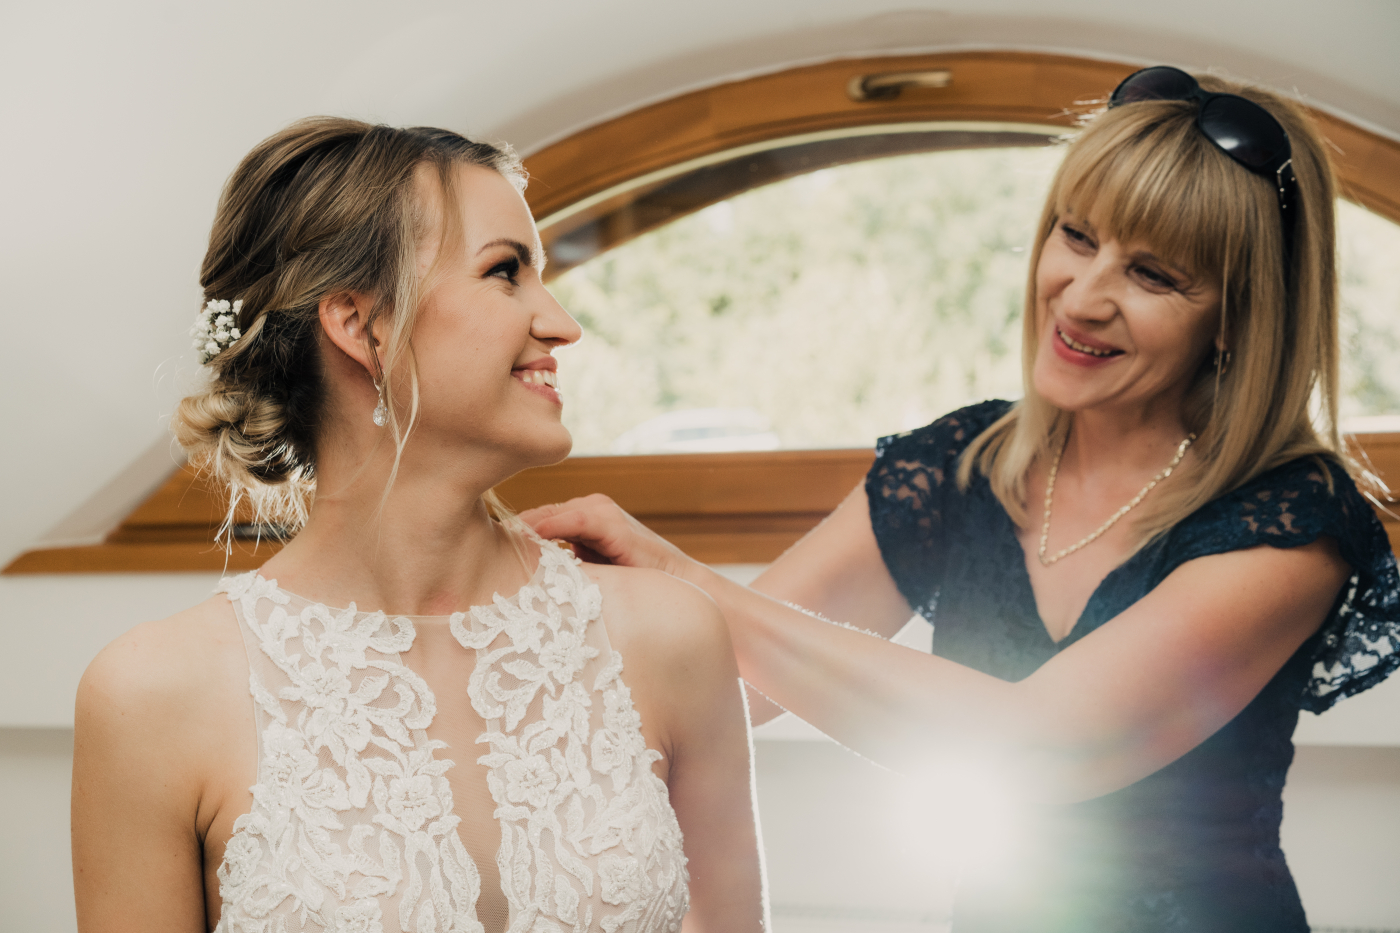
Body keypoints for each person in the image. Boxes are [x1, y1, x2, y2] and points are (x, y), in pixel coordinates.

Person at [523, 67, 1400, 931]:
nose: (1082, 298)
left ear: (1238, 314)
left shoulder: (1293, 518)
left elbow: (1040, 744)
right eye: (1077, 235)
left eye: (1153, 275)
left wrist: (688, 582)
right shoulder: (961, 462)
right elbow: (720, 683)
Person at [72, 118, 764, 933]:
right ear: (361, 323)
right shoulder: (150, 694)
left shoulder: (669, 636)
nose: (562, 323)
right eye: (505, 272)